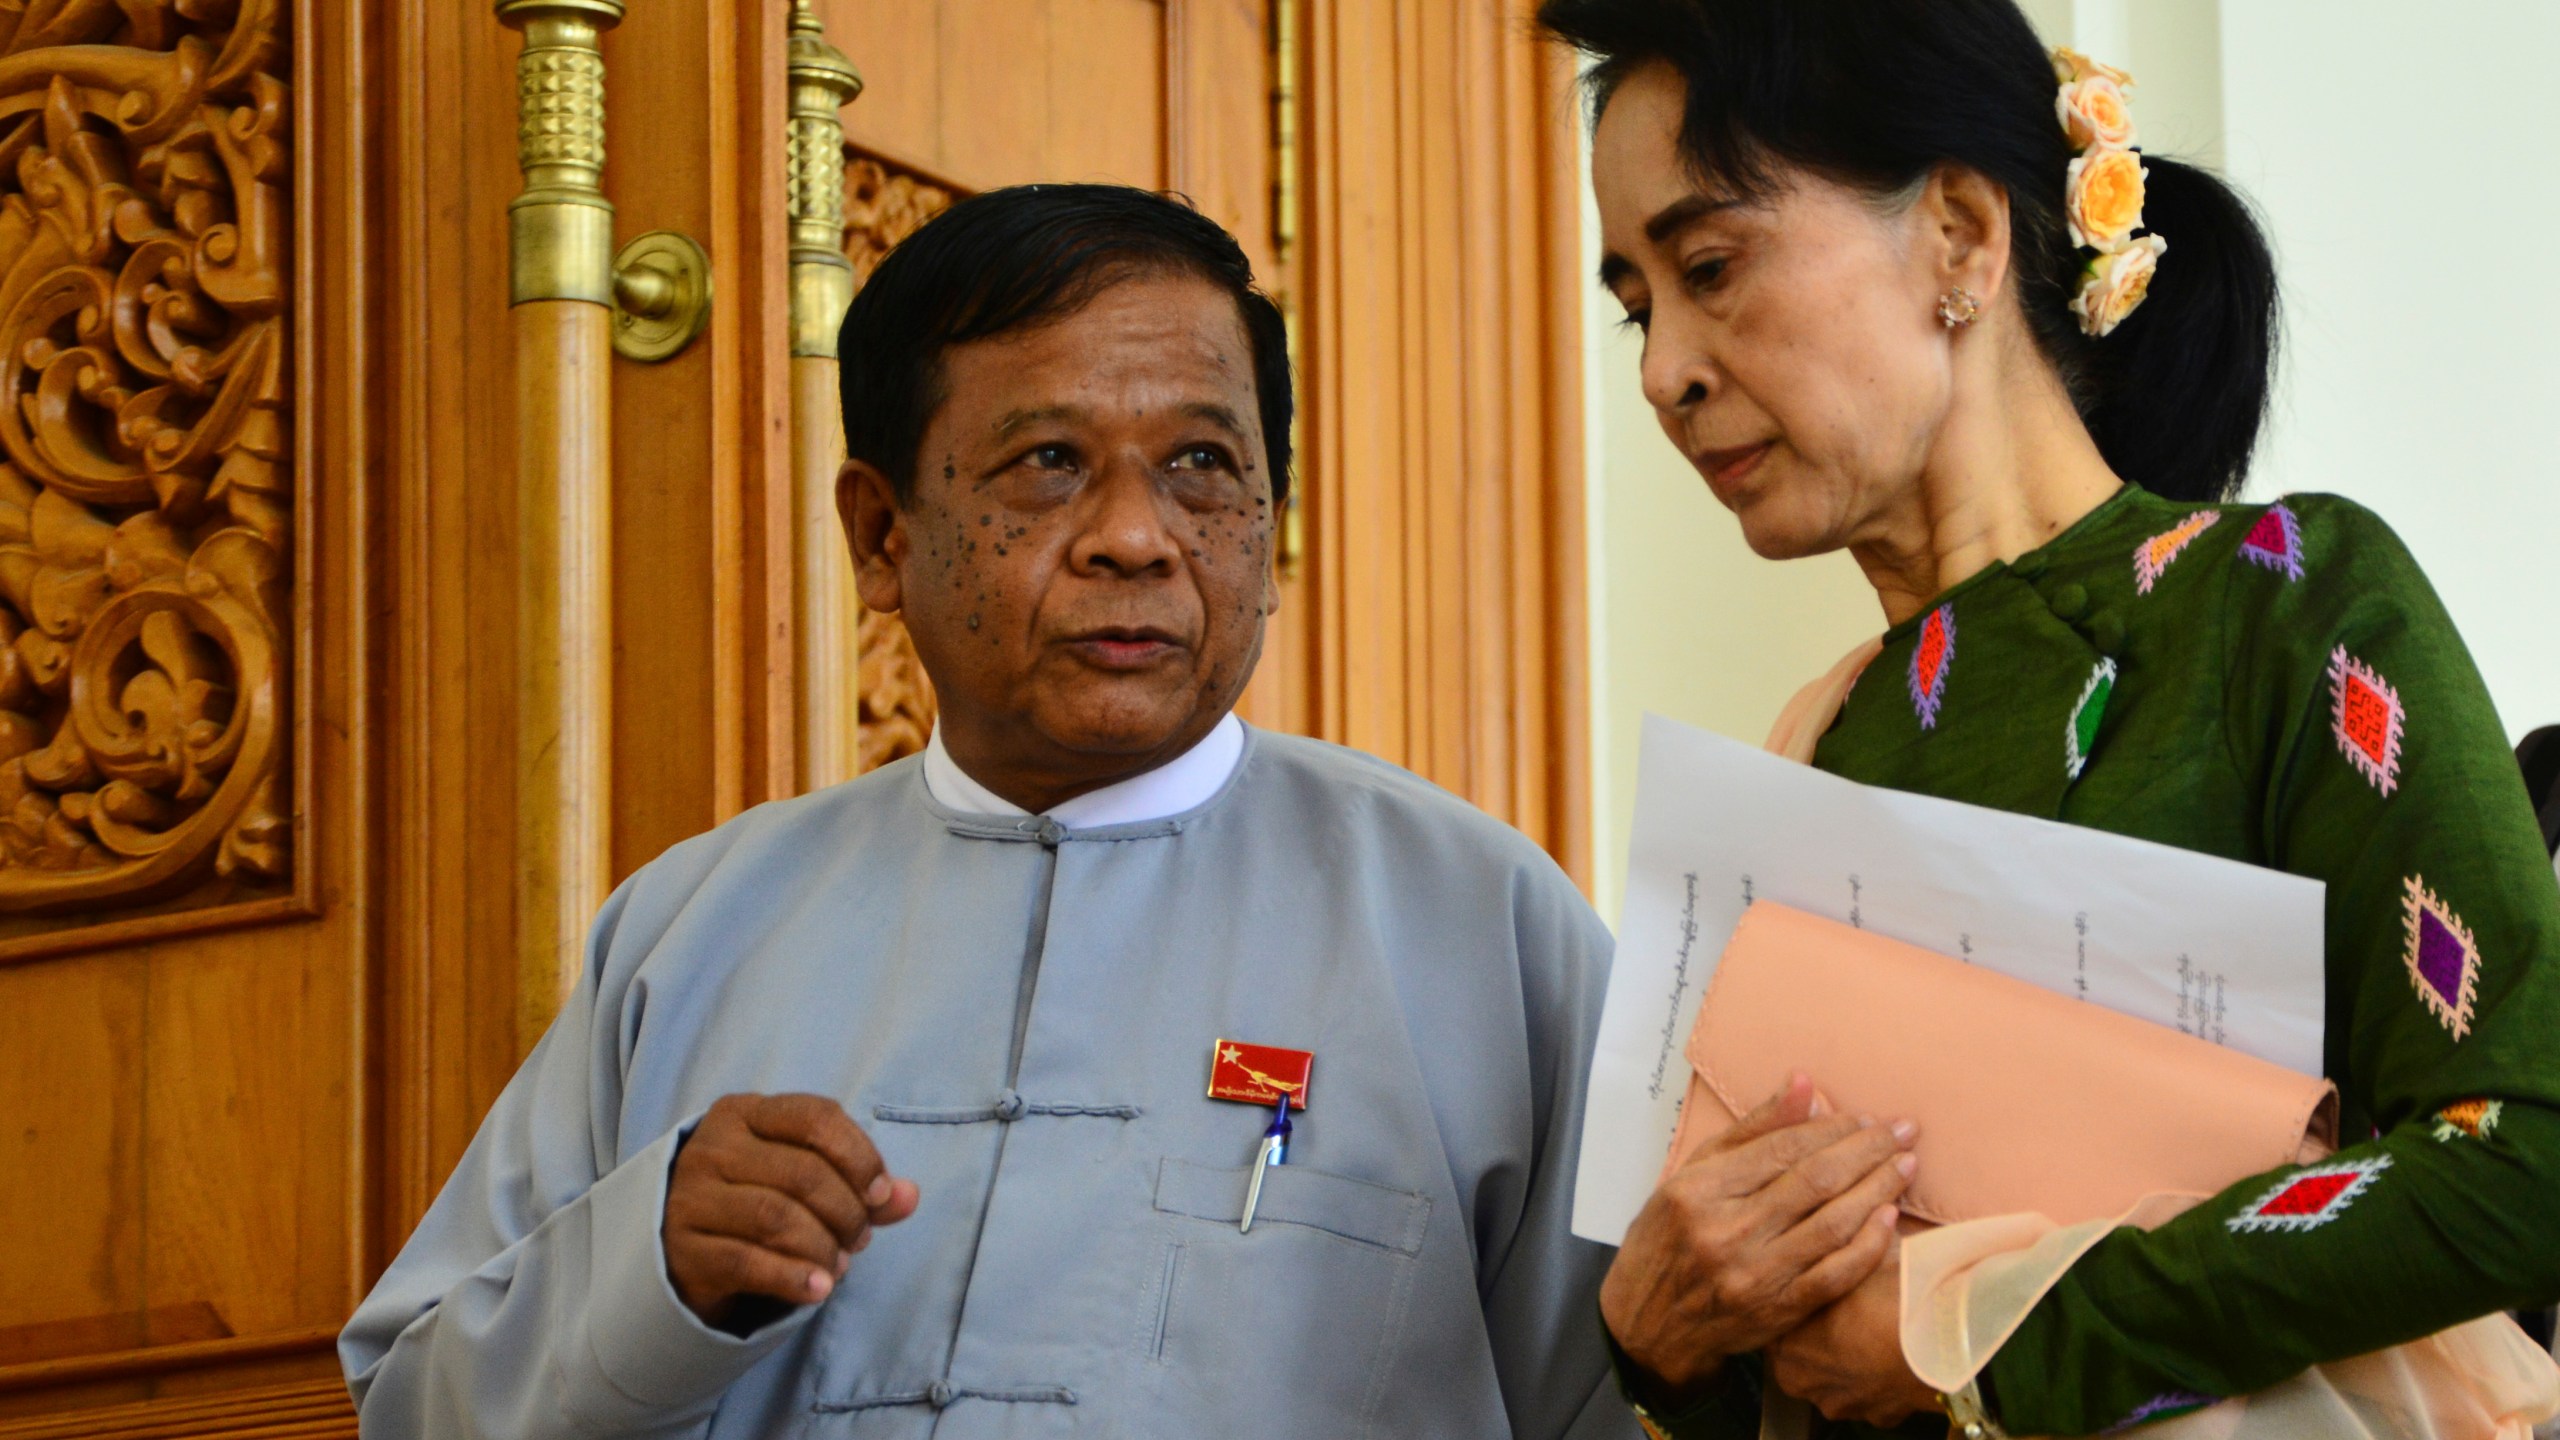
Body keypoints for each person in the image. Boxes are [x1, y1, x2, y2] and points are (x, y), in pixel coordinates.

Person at [339, 184, 1637, 1439]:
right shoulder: (692, 931)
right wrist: (647, 1279)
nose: (1136, 536)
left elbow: (1645, 1397)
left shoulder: (1478, 925)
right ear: (880, 537)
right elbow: (410, 1407)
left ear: (1267, 523)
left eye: (1199, 464)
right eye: (1049, 463)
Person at [1538, 0, 2560, 1435]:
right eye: (1640, 306)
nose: (1664, 372)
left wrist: (1992, 1339)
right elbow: (1813, 1366)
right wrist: (1662, 1335)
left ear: (1958, 231)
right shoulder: (1815, 748)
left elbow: (2524, 1153)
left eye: (1711, 266)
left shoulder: (2283, 604)